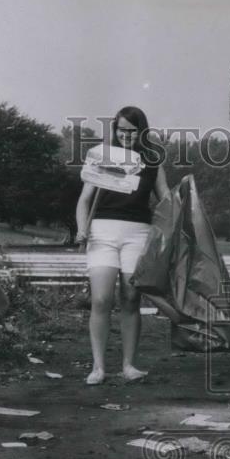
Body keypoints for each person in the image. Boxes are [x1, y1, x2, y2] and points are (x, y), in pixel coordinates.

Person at [75, 105, 169, 385]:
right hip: (101, 232)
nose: (127, 135)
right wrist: (81, 228)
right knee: (101, 299)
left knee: (130, 298)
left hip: (138, 233)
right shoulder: (103, 156)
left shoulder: (152, 160)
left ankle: (129, 365)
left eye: (133, 130)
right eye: (122, 130)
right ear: (115, 130)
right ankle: (98, 367)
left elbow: (164, 198)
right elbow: (84, 200)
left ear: (143, 130)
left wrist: (179, 209)